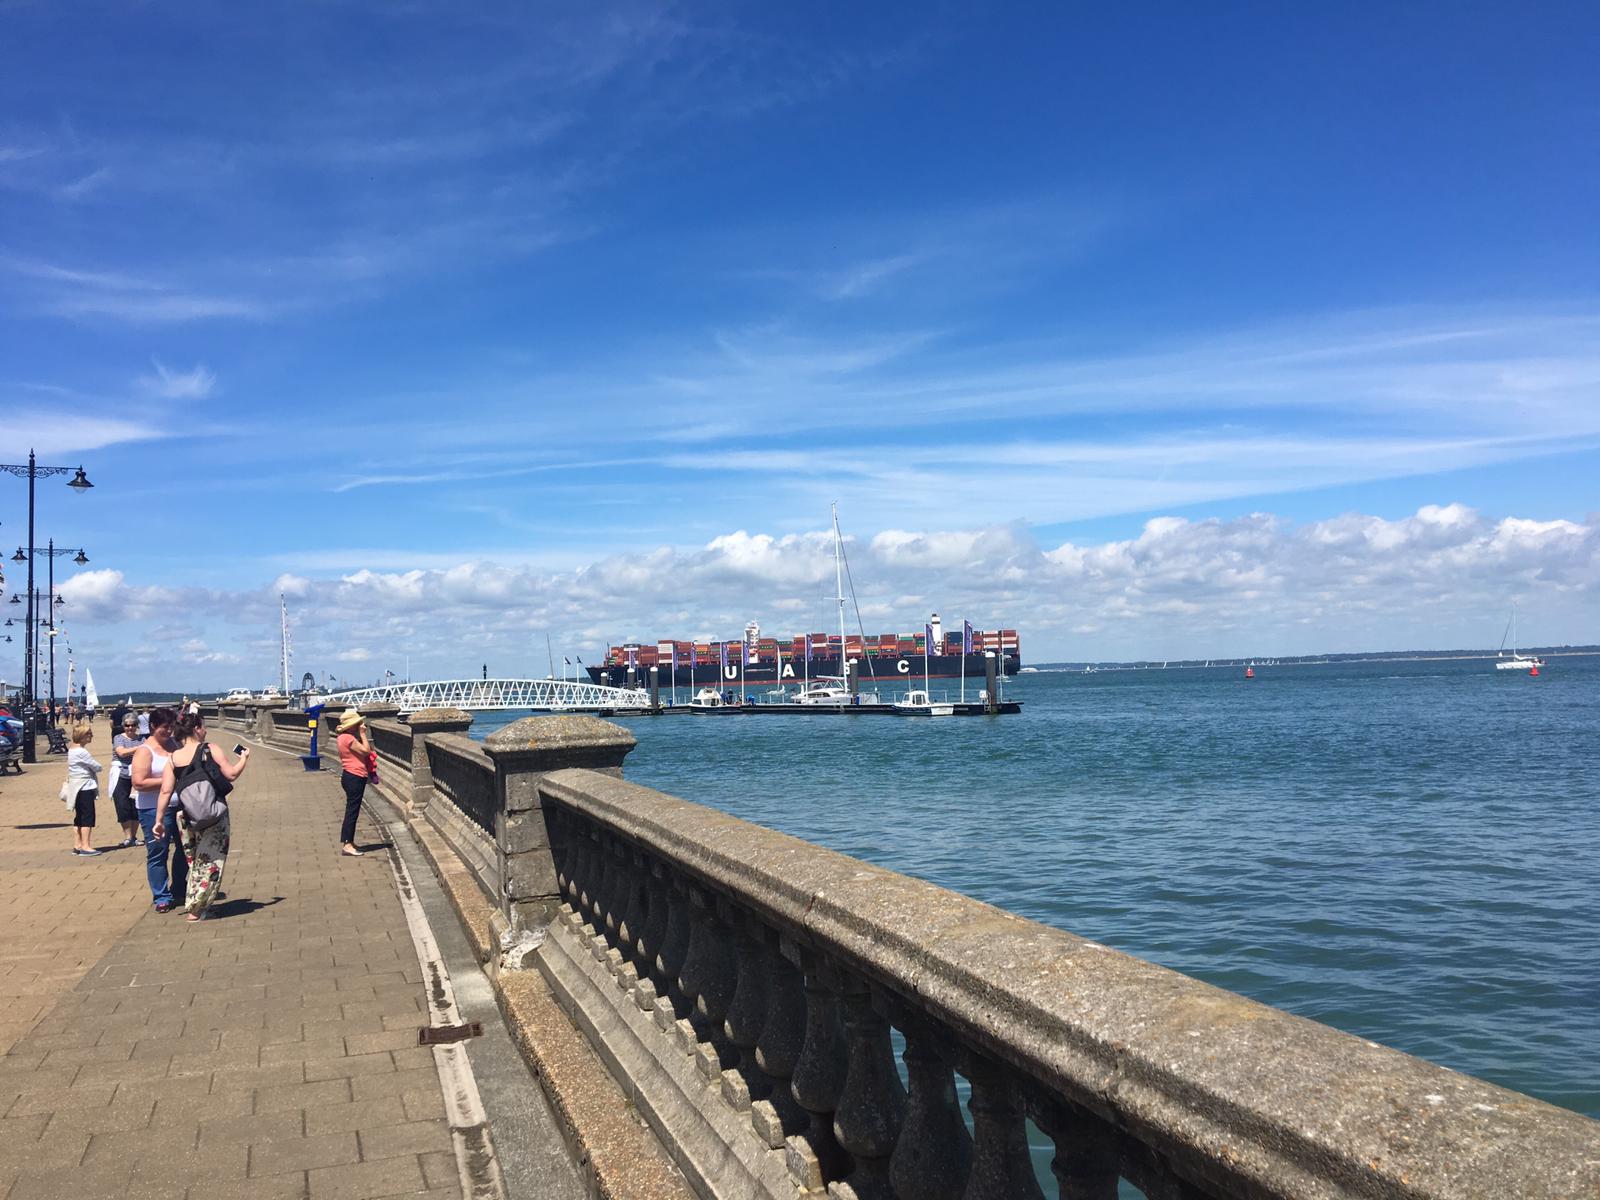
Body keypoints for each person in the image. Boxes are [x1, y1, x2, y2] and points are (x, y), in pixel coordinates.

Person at [152, 711, 248, 921]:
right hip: (213, 813)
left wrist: (158, 821)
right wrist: (244, 758)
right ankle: (196, 908)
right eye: (203, 726)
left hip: (187, 817)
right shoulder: (210, 749)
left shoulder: (173, 758)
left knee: (195, 860)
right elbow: (231, 774)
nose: (205, 730)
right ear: (196, 729)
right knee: (212, 860)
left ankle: (197, 903)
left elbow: (166, 791)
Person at [130, 707, 186, 912]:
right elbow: (139, 782)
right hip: (152, 808)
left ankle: (180, 887)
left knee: (184, 849)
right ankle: (161, 896)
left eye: (171, 727)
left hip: (179, 806)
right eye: (165, 727)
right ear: (153, 726)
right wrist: (168, 781)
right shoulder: (145, 751)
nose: (169, 731)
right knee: (158, 852)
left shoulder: (175, 745)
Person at [335, 709, 372, 857]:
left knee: (352, 810)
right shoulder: (348, 739)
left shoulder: (341, 737)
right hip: (354, 776)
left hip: (349, 775)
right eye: (357, 723)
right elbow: (366, 751)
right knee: (352, 811)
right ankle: (348, 844)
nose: (359, 725)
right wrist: (363, 734)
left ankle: (348, 841)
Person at [64, 725, 103, 856]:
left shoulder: (72, 750)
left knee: (79, 817)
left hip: (76, 785)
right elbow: (96, 766)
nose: (91, 736)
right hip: (84, 786)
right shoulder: (81, 751)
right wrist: (97, 767)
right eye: (89, 734)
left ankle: (77, 844)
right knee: (88, 816)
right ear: (82, 735)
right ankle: (85, 846)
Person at [109, 713, 143, 847]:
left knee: (135, 806)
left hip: (137, 775)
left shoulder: (141, 738)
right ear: (123, 726)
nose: (130, 728)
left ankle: (134, 836)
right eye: (127, 725)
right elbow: (121, 752)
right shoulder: (118, 738)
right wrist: (139, 749)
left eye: (133, 725)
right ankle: (127, 836)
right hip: (121, 775)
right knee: (122, 805)